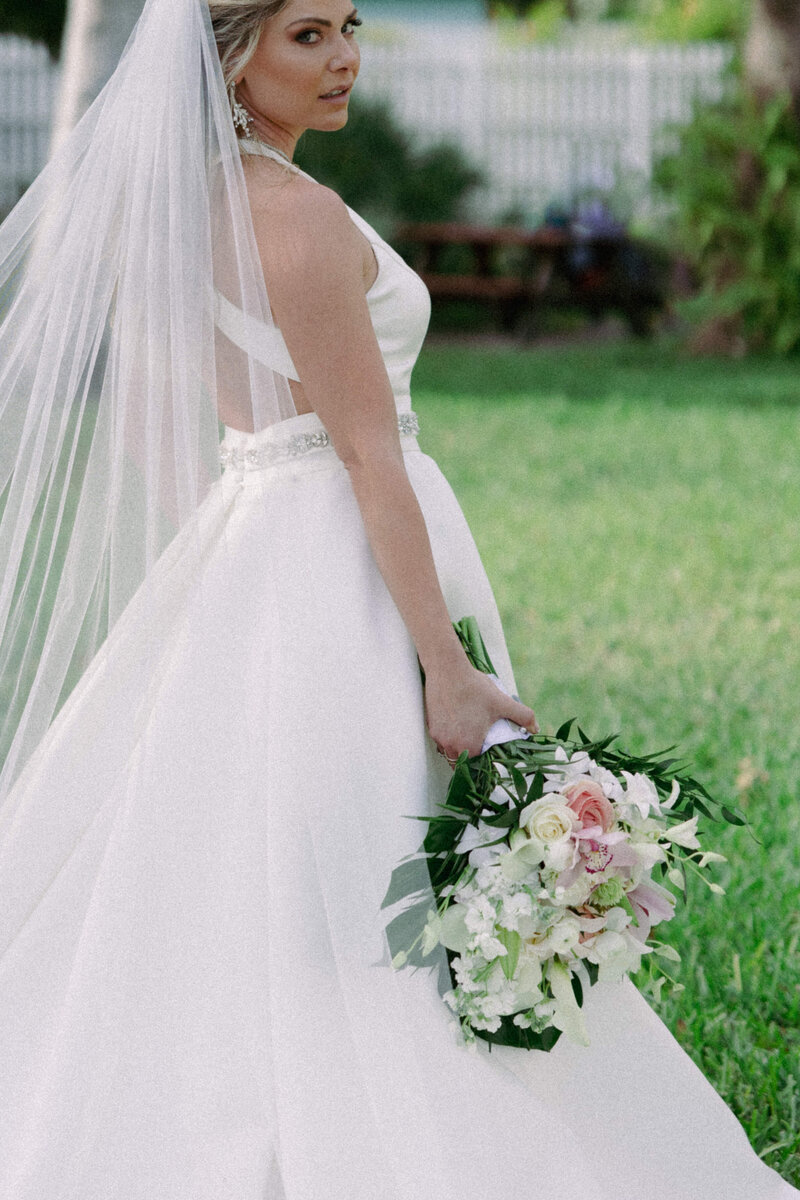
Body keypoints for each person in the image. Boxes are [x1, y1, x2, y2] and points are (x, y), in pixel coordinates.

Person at [0, 0, 795, 1196]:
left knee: (272, 858)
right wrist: (448, 666)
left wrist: (217, 573)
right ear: (230, 55)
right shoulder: (298, 219)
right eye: (304, 36)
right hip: (343, 565)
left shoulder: (178, 211)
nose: (344, 59)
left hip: (251, 539)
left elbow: (177, 416)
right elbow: (368, 455)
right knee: (385, 858)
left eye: (350, 27)